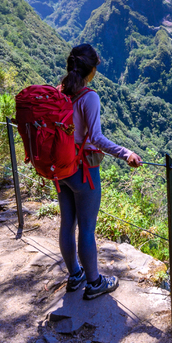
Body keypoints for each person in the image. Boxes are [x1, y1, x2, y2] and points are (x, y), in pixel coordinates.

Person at [57, 44, 142, 300]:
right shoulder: (88, 97)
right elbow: (96, 138)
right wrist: (126, 153)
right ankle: (94, 282)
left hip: (62, 168)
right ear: (91, 70)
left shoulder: (60, 92)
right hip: (84, 169)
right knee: (86, 228)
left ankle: (75, 274)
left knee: (67, 224)